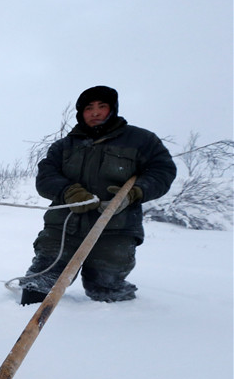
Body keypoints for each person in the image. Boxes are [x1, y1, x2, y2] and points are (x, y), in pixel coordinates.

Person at [19, 85, 176, 305]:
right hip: (64, 228)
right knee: (37, 289)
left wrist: (134, 193)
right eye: (89, 108)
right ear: (81, 113)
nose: (95, 112)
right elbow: (45, 177)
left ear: (113, 109)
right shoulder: (63, 146)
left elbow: (163, 171)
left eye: (102, 106)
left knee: (106, 293)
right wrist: (68, 192)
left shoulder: (141, 140)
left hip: (116, 229)